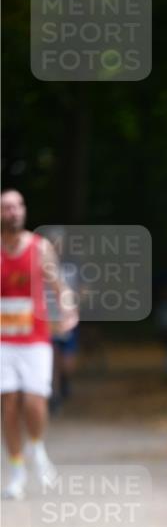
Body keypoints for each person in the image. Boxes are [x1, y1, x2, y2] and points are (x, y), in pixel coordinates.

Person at [1, 190, 77, 499]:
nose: (14, 212)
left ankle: (37, 447)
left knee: (34, 401)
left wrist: (69, 311)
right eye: (7, 207)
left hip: (35, 338)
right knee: (9, 403)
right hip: (3, 340)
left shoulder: (39, 248)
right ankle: (17, 470)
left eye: (18, 206)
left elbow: (59, 285)